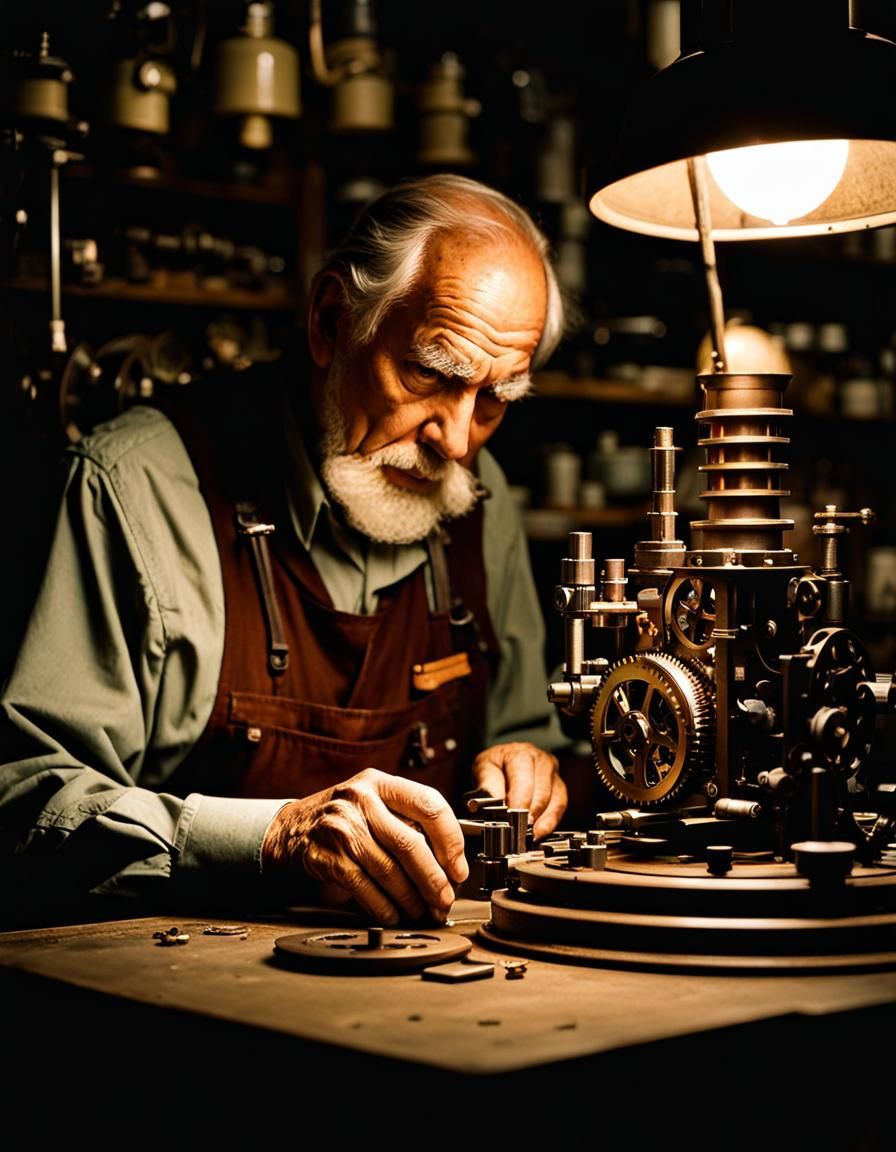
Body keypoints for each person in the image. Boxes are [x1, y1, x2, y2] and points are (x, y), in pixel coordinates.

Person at [0, 172, 570, 930]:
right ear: (332, 321)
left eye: (496, 399)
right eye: (430, 373)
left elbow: (521, 728)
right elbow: (26, 803)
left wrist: (526, 767)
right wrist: (269, 840)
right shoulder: (136, 485)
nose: (458, 441)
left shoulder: (476, 498)